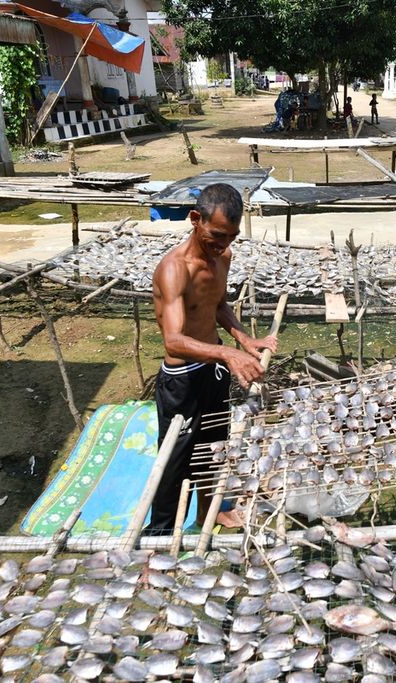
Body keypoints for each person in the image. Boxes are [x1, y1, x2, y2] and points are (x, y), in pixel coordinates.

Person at [146, 183, 278, 535]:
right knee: (174, 463)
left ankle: (208, 514)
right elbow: (173, 341)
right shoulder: (174, 269)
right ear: (195, 220)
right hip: (181, 378)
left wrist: (243, 338)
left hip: (212, 371)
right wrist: (226, 352)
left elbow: (218, 306)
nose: (224, 244)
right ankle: (159, 535)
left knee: (213, 449)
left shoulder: (224, 257)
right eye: (218, 235)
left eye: (231, 237)